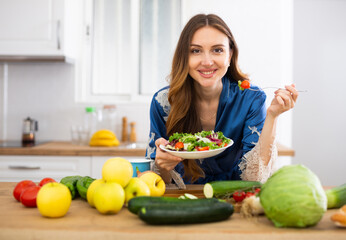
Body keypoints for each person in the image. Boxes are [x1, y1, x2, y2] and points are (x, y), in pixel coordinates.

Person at [145, 14, 298, 185]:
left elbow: (255, 179)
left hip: (237, 199)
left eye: (217, 50)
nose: (207, 61)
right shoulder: (163, 102)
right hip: (184, 199)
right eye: (196, 50)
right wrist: (163, 165)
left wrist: (272, 116)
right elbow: (156, 184)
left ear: (230, 54)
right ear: (184, 56)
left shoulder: (251, 99)